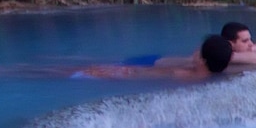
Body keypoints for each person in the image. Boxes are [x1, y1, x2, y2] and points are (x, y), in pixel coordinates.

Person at [74, 35, 235, 80]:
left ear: (202, 60)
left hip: (121, 74)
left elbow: (138, 74)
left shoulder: (179, 74)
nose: (194, 51)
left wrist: (107, 72)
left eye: (198, 50)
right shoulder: (211, 75)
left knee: (74, 72)